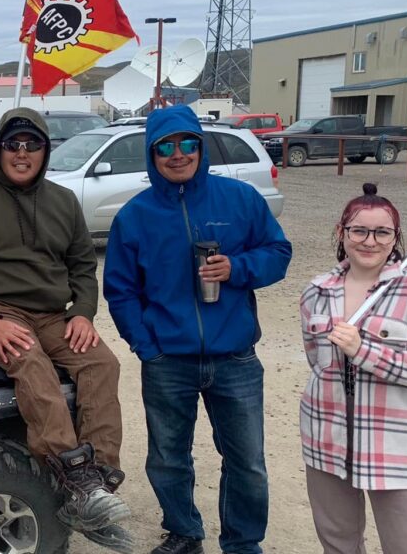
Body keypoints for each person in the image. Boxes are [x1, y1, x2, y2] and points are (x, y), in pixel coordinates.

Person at [0, 107, 132, 547]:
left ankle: (98, 482)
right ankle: (72, 471)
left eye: (32, 145)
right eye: (13, 145)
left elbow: (83, 265)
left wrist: (83, 311)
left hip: (52, 314)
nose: (22, 154)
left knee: (102, 363)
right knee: (31, 364)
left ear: (45, 151)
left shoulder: (63, 201)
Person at [103, 105, 292, 554]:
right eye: (164, 146)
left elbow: (279, 252)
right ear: (152, 154)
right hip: (169, 360)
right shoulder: (134, 216)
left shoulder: (239, 199)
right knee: (168, 460)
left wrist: (239, 267)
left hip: (235, 358)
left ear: (201, 147)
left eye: (188, 143)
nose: (177, 154)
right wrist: (146, 346)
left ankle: (243, 544)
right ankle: (185, 533)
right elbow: (121, 291)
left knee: (247, 462)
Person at [299, 184, 407, 554]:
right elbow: (317, 362)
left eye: (382, 232)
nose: (370, 241)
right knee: (338, 543)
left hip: (396, 445)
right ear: (342, 233)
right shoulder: (316, 293)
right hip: (326, 439)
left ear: (395, 237)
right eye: (359, 230)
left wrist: (363, 350)